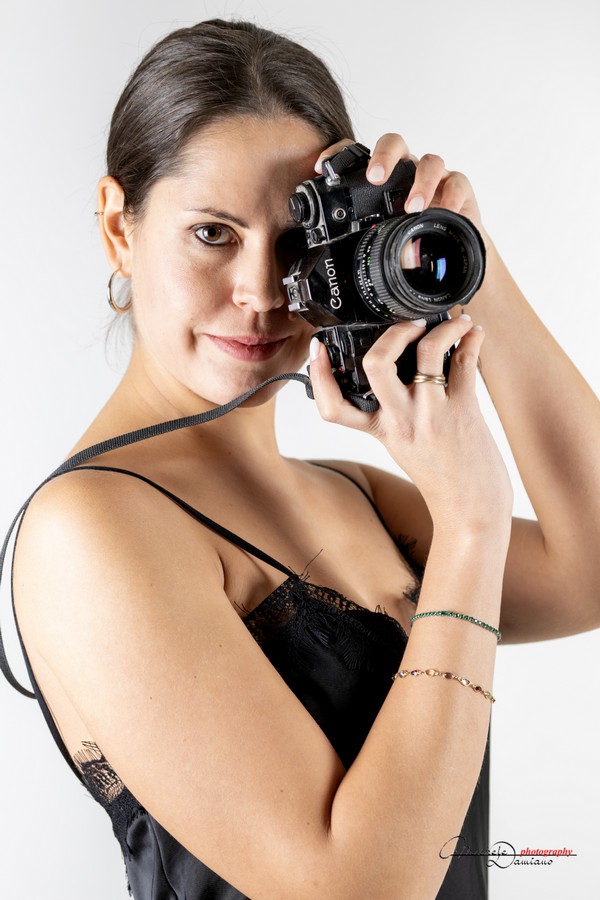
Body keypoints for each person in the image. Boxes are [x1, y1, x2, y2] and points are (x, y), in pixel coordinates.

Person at [4, 17, 599, 900]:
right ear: (119, 228)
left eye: (293, 244)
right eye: (213, 234)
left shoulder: (350, 495)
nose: (257, 294)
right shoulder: (87, 530)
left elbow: (591, 569)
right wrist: (471, 525)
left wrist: (467, 254)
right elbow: (355, 888)